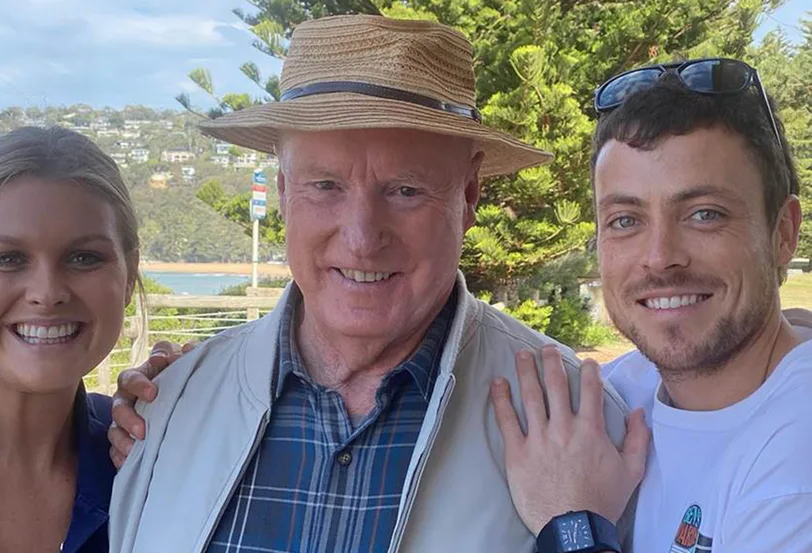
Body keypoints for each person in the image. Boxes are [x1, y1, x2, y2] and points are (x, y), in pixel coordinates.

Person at [106, 14, 646, 553]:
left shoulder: (580, 428)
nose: (362, 238)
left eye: (406, 190)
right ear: (284, 190)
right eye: (325, 185)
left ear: (469, 195)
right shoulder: (169, 407)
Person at [490, 59, 812, 552]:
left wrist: (572, 523)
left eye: (704, 214)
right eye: (625, 220)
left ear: (783, 234)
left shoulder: (796, 461)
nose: (660, 257)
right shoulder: (615, 397)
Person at [0, 126, 141, 552]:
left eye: (83, 257)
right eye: (8, 258)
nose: (47, 293)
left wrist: (199, 398)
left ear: (129, 276)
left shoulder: (145, 456)